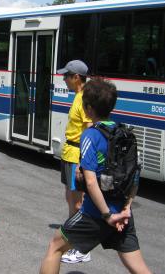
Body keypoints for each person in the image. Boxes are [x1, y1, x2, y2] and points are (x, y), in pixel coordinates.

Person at [39, 78, 151, 274]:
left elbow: (90, 182)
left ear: (88, 108)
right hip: (123, 215)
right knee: (139, 267)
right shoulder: (124, 134)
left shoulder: (91, 135)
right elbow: (134, 176)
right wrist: (125, 209)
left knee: (55, 247)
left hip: (95, 214)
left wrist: (108, 215)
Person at [56, 59, 92, 263]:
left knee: (78, 203)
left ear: (76, 77)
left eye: (66, 76)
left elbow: (88, 131)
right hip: (69, 154)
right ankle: (73, 239)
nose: (64, 80)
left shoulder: (84, 97)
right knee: (70, 198)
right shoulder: (78, 95)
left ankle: (82, 248)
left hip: (76, 155)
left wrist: (82, 162)